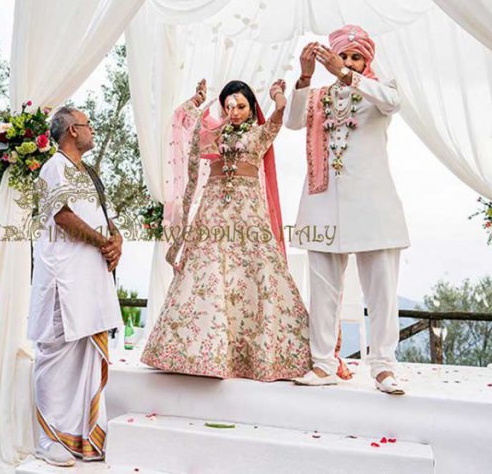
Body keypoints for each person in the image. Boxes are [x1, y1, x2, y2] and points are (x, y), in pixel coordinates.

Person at [141, 78, 311, 381]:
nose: (234, 111)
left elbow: (280, 112)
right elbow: (184, 124)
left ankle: (258, 356)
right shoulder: (214, 136)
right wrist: (197, 100)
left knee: (255, 271)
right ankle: (199, 352)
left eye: (241, 105)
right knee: (208, 271)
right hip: (214, 210)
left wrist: (276, 93)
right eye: (229, 105)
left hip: (247, 212)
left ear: (251, 107)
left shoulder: (260, 134)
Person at [287, 25, 410, 395]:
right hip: (322, 203)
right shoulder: (319, 96)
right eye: (344, 56)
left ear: (366, 60)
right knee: (322, 288)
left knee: (382, 291)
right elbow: (293, 121)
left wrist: (346, 75)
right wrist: (306, 76)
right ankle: (322, 363)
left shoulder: (378, 90)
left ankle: (384, 367)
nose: (350, 62)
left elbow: (393, 103)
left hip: (374, 206)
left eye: (357, 57)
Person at [28, 106, 123, 467]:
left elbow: (106, 216)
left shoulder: (89, 172)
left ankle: (83, 436)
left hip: (91, 279)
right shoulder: (54, 167)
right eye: (87, 124)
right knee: (55, 354)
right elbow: (63, 216)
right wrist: (103, 242)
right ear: (71, 130)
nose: (92, 130)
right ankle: (48, 438)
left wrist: (117, 240)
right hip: (63, 278)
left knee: (84, 354)